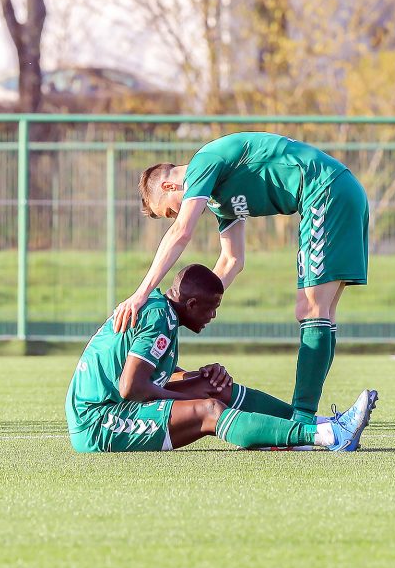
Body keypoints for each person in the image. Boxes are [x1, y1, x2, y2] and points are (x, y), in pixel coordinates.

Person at [113, 132, 370, 424]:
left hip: (325, 190)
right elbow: (232, 261)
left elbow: (182, 231)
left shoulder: (203, 162)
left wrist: (141, 293)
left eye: (171, 209)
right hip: (340, 189)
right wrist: (191, 310)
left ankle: (302, 424)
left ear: (170, 185)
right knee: (323, 313)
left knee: (310, 309)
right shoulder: (218, 199)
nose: (177, 214)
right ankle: (309, 421)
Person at [66, 264, 377, 452]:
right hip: (98, 423)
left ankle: (316, 424)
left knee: (215, 388)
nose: (213, 315)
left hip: (117, 406)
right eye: (210, 307)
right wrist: (181, 399)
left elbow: (152, 374)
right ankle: (326, 435)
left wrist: (195, 378)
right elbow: (131, 387)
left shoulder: (162, 311)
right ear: (190, 303)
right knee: (209, 410)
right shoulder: (159, 319)